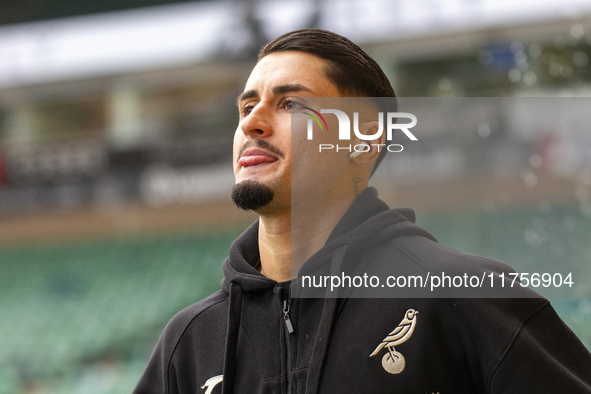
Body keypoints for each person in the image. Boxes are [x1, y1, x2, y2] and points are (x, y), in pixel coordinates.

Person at [134, 29, 591, 393]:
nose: (252, 121)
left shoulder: (463, 295)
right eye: (248, 106)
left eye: (290, 103)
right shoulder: (188, 343)